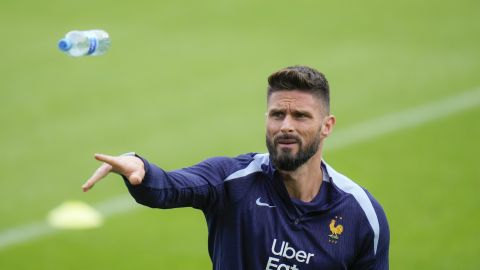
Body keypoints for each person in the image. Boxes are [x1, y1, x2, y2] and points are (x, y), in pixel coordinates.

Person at [82, 66, 389, 270]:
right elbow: (168, 188)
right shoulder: (233, 181)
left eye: (300, 116)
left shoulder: (361, 215)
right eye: (277, 114)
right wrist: (140, 168)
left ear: (327, 126)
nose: (285, 126)